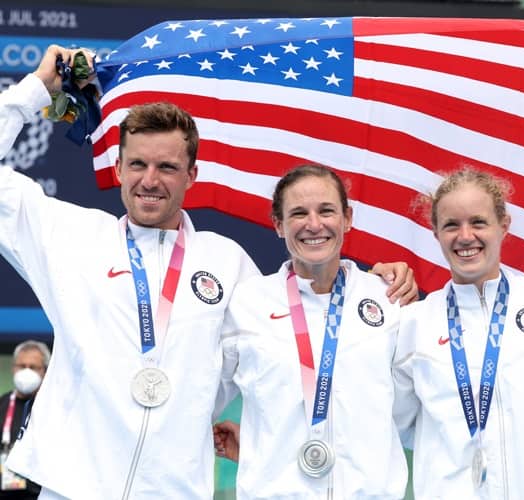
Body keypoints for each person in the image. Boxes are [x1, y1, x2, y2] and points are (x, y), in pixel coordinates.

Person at [0, 45, 416, 500]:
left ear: (192, 175)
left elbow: (306, 345)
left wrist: (370, 283)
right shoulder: (69, 237)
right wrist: (36, 88)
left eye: (168, 167)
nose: (150, 180)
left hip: (174, 490)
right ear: (117, 167)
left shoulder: (228, 263)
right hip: (71, 485)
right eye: (138, 164)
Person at [212, 164, 408, 499]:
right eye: (299, 213)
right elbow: (198, 394)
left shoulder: (388, 299)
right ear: (278, 224)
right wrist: (264, 447)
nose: (314, 224)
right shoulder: (247, 302)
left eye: (326, 211)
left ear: (347, 218)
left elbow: (413, 410)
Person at [392, 168, 524, 498]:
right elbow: (399, 425)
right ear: (435, 232)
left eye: (478, 222)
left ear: (503, 226)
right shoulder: (414, 324)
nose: (465, 236)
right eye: (450, 225)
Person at [0, 341, 49, 499]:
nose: (26, 371)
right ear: (14, 368)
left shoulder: (53, 409)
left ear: (45, 371)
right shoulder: (2, 404)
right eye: (22, 365)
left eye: (33, 367)